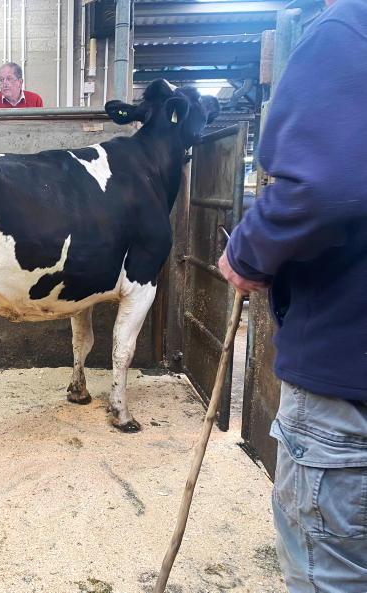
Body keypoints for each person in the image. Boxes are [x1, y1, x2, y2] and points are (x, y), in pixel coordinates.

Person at [218, 1, 367, 591]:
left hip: (344, 381)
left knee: (329, 576)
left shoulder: (347, 29)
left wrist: (247, 252)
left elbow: (319, 187)